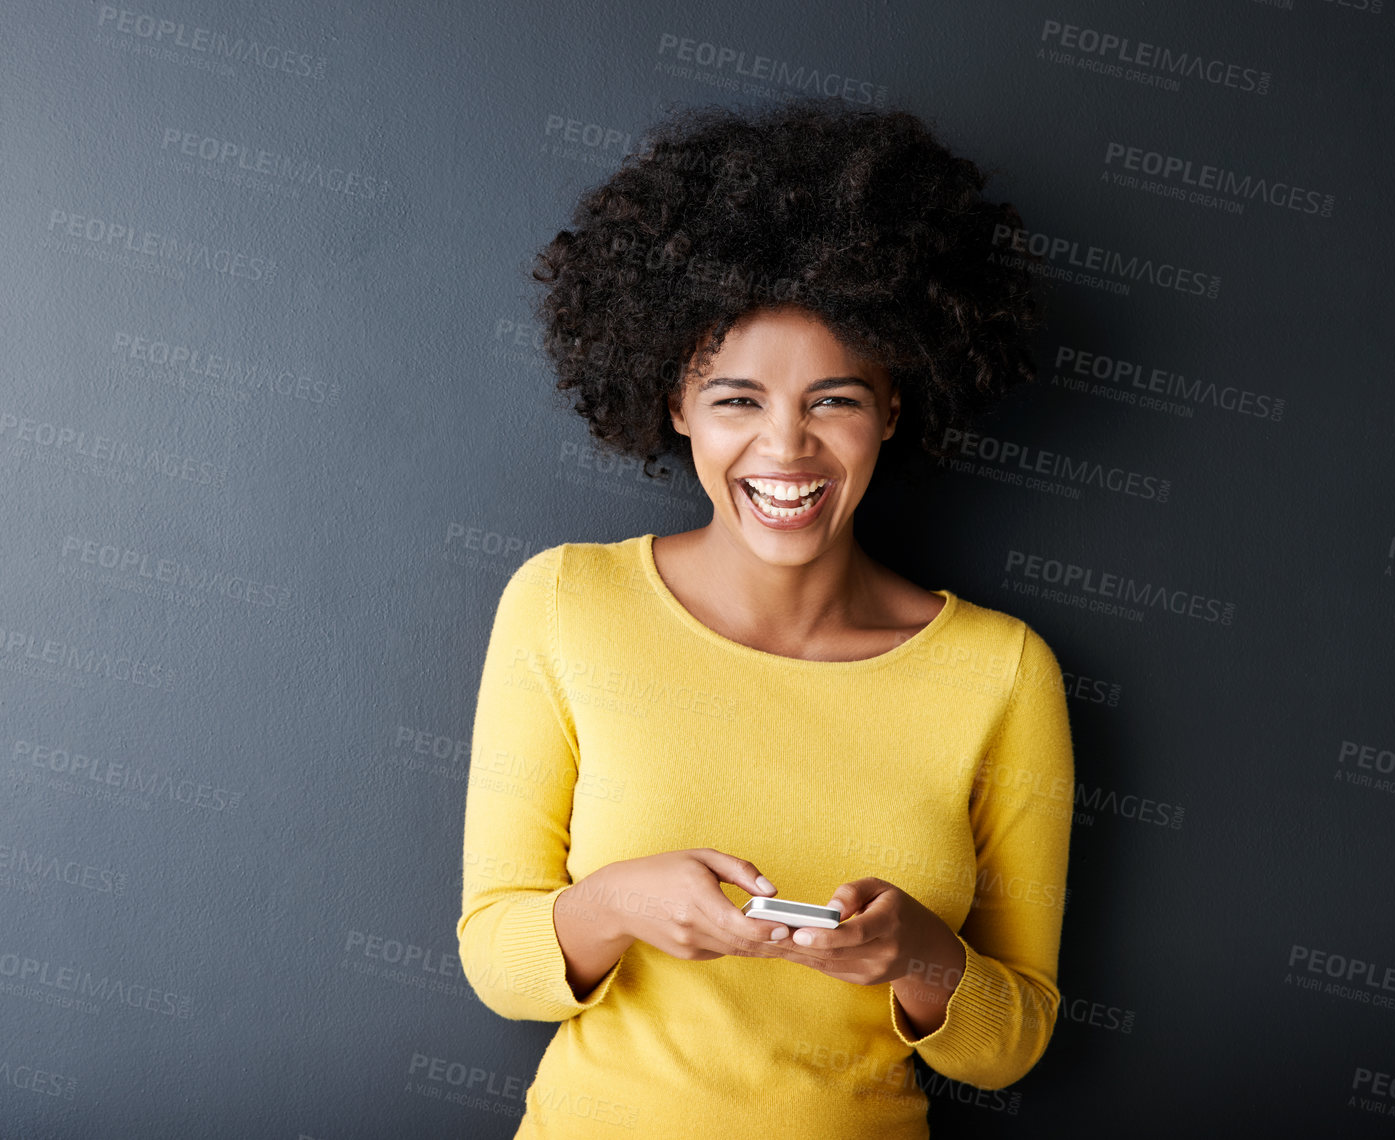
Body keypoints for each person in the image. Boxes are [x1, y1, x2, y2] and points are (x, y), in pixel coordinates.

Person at [457, 95, 1074, 1139]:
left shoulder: (1000, 671)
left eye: (832, 399)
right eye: (736, 399)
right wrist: (614, 906)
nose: (784, 449)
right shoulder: (565, 603)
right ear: (673, 406)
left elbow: (1012, 1043)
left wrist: (916, 956)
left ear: (892, 407)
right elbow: (494, 959)